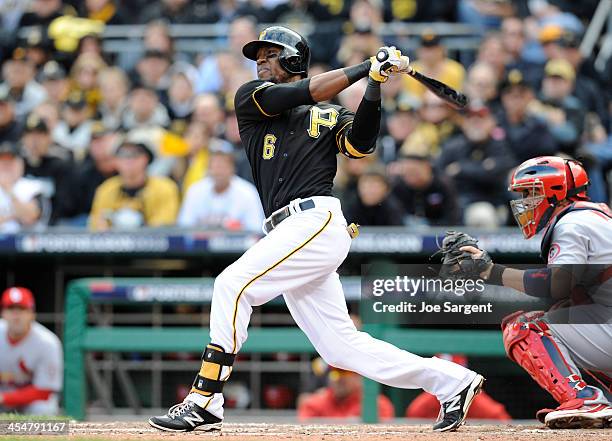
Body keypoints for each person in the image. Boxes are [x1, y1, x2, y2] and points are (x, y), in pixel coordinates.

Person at [149, 25, 484, 433]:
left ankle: (205, 400)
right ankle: (452, 382)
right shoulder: (252, 98)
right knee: (340, 348)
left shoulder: (329, 112)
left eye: (270, 55)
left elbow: (361, 146)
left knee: (231, 285)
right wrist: (366, 66)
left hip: (315, 220)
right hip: (285, 231)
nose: (260, 62)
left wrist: (374, 86)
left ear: (293, 58)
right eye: (258, 56)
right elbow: (301, 93)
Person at [456, 156, 612, 429]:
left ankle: (586, 400)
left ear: (556, 191)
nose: (525, 201)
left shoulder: (572, 223)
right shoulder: (594, 215)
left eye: (532, 192)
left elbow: (557, 283)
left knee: (525, 326)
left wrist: (492, 272)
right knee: (565, 312)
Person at [89, 141, 179, 230]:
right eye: (122, 155)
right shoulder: (106, 189)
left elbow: (164, 225)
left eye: (135, 155)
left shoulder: (164, 188)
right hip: (114, 242)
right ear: (115, 160)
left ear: (146, 158)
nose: (129, 160)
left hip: (151, 242)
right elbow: (96, 225)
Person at [0, 287, 63, 415]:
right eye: (11, 308)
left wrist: (5, 398)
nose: (16, 315)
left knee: (45, 409)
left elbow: (44, 391)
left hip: (30, 402)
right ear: (3, 313)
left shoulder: (47, 342)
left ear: (32, 314)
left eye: (22, 309)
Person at [177, 144, 264, 232]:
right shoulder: (195, 191)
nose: (218, 171)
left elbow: (256, 229)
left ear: (232, 168)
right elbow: (184, 226)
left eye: (222, 166)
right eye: (214, 166)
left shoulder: (248, 192)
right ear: (208, 169)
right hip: (201, 245)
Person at [0, 142, 46, 232]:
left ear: (20, 164)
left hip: (26, 242)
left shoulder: (33, 186)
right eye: (2, 161)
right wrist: (14, 216)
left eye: (10, 161)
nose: (6, 165)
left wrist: (8, 190)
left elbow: (30, 217)